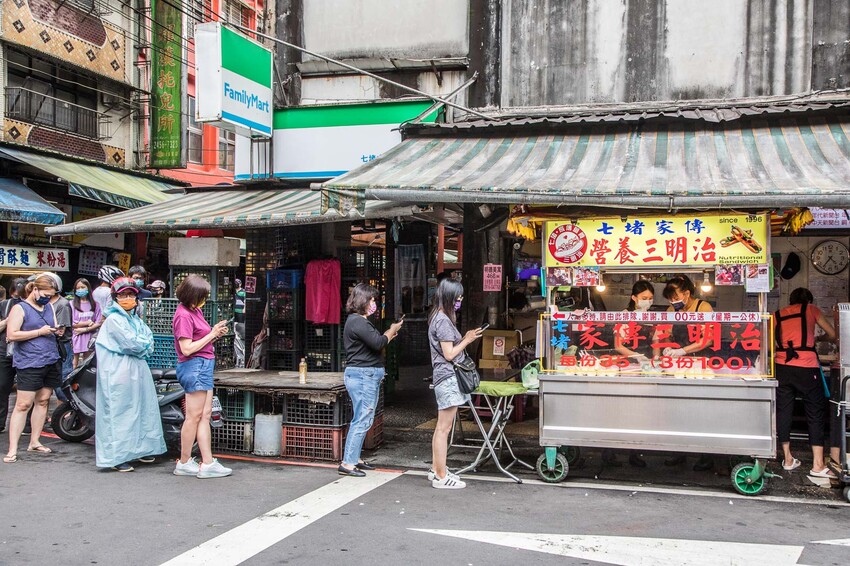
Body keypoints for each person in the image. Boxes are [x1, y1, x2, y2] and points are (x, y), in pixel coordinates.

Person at [94, 277, 166, 472]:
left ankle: (140, 450)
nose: (127, 298)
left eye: (130, 295)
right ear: (115, 298)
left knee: (142, 409)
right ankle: (117, 456)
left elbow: (148, 340)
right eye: (123, 295)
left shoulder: (134, 319)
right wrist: (142, 345)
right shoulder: (114, 320)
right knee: (121, 412)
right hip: (118, 372)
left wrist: (141, 344)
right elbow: (133, 343)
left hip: (137, 369)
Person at [338, 284, 403, 477]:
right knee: (362, 418)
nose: (374, 303)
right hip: (363, 375)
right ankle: (348, 463)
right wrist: (391, 330)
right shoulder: (358, 322)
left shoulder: (357, 322)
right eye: (372, 300)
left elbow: (375, 344)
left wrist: (388, 335)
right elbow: (378, 343)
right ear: (362, 301)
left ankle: (354, 458)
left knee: (362, 417)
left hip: (364, 374)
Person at [172, 274, 232, 479]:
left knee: (205, 415)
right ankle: (185, 461)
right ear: (192, 295)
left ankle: (207, 462)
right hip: (194, 366)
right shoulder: (183, 316)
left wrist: (214, 332)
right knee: (194, 417)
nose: (205, 299)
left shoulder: (194, 311)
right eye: (203, 295)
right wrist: (213, 334)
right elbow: (186, 348)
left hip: (203, 365)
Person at [427, 278, 485, 489]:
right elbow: (449, 354)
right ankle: (441, 476)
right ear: (449, 297)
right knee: (444, 428)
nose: (460, 300)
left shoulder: (438, 317)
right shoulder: (442, 320)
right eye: (458, 297)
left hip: (444, 377)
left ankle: (437, 470)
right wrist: (467, 340)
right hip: (448, 377)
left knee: (442, 427)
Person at [774, 287, 836, 479]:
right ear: (808, 301)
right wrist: (818, 338)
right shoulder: (811, 310)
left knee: (784, 411)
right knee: (815, 411)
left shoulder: (777, 314)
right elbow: (833, 334)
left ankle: (788, 459)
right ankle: (818, 465)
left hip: (782, 366)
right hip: (807, 367)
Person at [3, 274, 62, 463]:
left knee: (43, 400)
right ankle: (12, 449)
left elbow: (51, 327)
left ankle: (34, 441)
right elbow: (12, 334)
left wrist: (56, 330)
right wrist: (39, 332)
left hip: (50, 358)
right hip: (29, 361)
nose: (47, 298)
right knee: (23, 404)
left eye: (50, 295)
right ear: (35, 290)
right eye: (45, 294)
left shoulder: (49, 307)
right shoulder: (20, 308)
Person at [660, 275, 715, 470]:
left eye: (675, 298)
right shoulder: (670, 310)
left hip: (700, 363)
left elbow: (707, 340)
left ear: (687, 293)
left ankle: (707, 455)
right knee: (677, 409)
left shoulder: (704, 308)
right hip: (678, 365)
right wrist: (666, 348)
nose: (672, 302)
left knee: (701, 409)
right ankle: (679, 452)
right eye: (669, 299)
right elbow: (665, 333)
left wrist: (683, 351)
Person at [605, 280, 657, 469]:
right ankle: (609, 452)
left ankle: (635, 452)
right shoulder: (624, 317)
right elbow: (618, 345)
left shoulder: (652, 317)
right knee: (620, 409)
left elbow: (657, 341)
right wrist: (637, 356)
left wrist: (655, 360)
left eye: (650, 298)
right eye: (644, 298)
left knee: (640, 411)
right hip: (626, 366)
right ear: (634, 298)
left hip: (645, 367)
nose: (647, 302)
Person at [0, 278, 26, 433]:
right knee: (2, 385)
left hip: (26, 351)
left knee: (27, 390)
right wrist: (8, 321)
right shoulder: (4, 305)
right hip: (4, 350)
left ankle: (27, 425)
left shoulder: (33, 307)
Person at [70, 278, 102, 368]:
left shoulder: (95, 304)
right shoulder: (71, 304)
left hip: (90, 337)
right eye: (78, 288)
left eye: (83, 287)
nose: (80, 289)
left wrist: (84, 329)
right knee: (74, 362)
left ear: (88, 288)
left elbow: (99, 322)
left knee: (86, 362)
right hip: (76, 336)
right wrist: (87, 323)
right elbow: (71, 323)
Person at [233, 279, 246, 368]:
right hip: (234, 310)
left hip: (241, 311)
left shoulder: (243, 292)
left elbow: (245, 300)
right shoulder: (233, 291)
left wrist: (245, 308)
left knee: (240, 325)